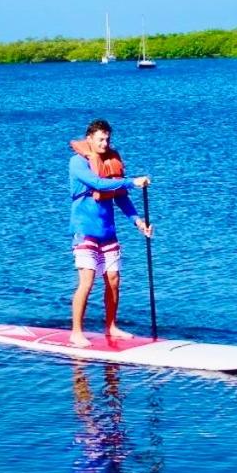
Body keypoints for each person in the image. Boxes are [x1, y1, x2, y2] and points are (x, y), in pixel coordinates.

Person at [69, 119, 152, 345]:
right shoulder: (77, 162)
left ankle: (111, 326)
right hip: (85, 230)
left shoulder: (109, 161)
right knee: (87, 280)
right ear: (89, 139)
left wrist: (138, 222)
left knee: (114, 280)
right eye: (100, 139)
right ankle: (76, 332)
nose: (104, 144)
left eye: (107, 139)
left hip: (108, 232)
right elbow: (98, 184)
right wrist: (132, 182)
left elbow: (120, 197)